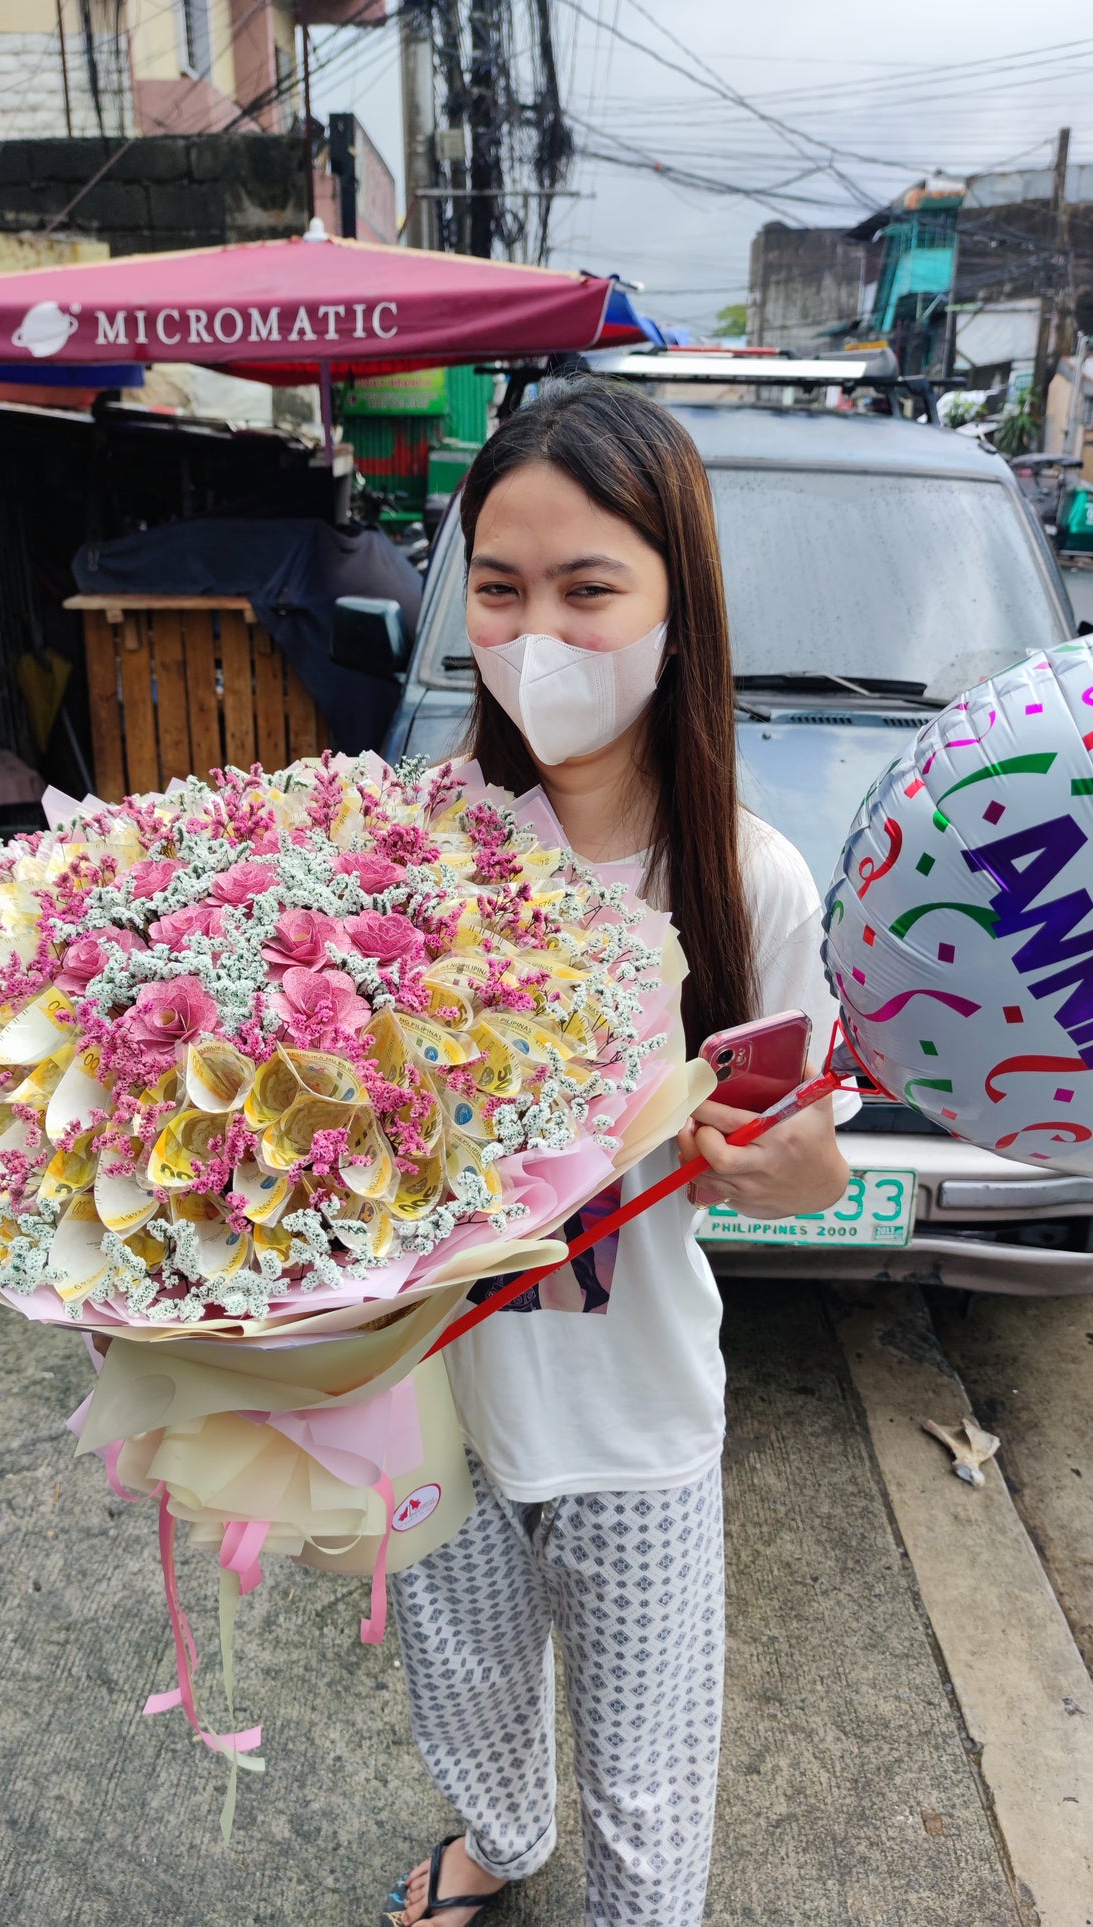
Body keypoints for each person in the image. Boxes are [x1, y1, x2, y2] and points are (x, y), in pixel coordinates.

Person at [384, 376, 854, 1927]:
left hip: (636, 1422)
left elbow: (811, 1172)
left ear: (677, 600)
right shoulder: (410, 840)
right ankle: (502, 1846)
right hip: (432, 1402)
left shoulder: (748, 881)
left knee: (648, 1787)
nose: (538, 637)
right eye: (500, 590)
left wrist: (761, 1161)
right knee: (460, 1692)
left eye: (590, 590)